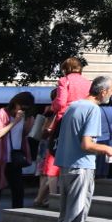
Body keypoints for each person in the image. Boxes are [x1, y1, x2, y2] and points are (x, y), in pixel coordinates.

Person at [42, 77, 112, 222]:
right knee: (77, 213)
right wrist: (106, 149)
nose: (111, 94)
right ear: (102, 91)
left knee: (64, 213)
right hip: (81, 167)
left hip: (65, 165)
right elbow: (87, 144)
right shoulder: (93, 110)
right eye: (111, 91)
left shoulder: (74, 106)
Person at [35, 56, 90, 208]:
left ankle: (54, 196)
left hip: (65, 121)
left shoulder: (64, 81)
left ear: (66, 69)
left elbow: (60, 103)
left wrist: (52, 107)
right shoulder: (87, 83)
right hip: (83, 122)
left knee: (55, 153)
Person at [0, 90, 35, 221]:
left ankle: (17, 220)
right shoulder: (2, 113)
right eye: (21, 107)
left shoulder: (24, 117)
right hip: (0, 158)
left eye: (26, 109)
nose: (21, 110)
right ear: (15, 103)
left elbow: (23, 135)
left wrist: (30, 122)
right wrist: (14, 122)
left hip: (15, 159)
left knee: (18, 191)